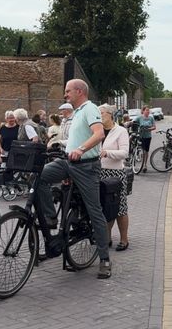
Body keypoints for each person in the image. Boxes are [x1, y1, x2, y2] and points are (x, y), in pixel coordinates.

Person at [40, 79, 111, 279]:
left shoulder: (90, 108)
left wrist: (80, 149)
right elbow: (77, 137)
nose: (65, 95)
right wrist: (60, 144)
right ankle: (50, 217)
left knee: (94, 210)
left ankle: (104, 259)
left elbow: (99, 134)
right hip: (68, 162)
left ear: (79, 91)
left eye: (68, 91)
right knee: (40, 176)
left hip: (87, 167)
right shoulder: (76, 113)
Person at [98, 104, 130, 251]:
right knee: (104, 207)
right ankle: (107, 238)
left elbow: (124, 153)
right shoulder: (96, 130)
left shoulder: (121, 131)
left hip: (116, 174)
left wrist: (107, 153)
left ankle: (124, 239)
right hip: (100, 173)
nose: (99, 116)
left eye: (102, 113)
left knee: (120, 208)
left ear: (110, 114)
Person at [136, 105, 156, 173]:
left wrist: (148, 129)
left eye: (148, 110)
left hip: (148, 136)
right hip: (141, 136)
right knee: (142, 150)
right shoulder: (139, 118)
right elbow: (133, 122)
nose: (148, 111)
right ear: (143, 111)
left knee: (146, 151)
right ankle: (141, 162)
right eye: (146, 110)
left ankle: (145, 165)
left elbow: (154, 127)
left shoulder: (151, 118)